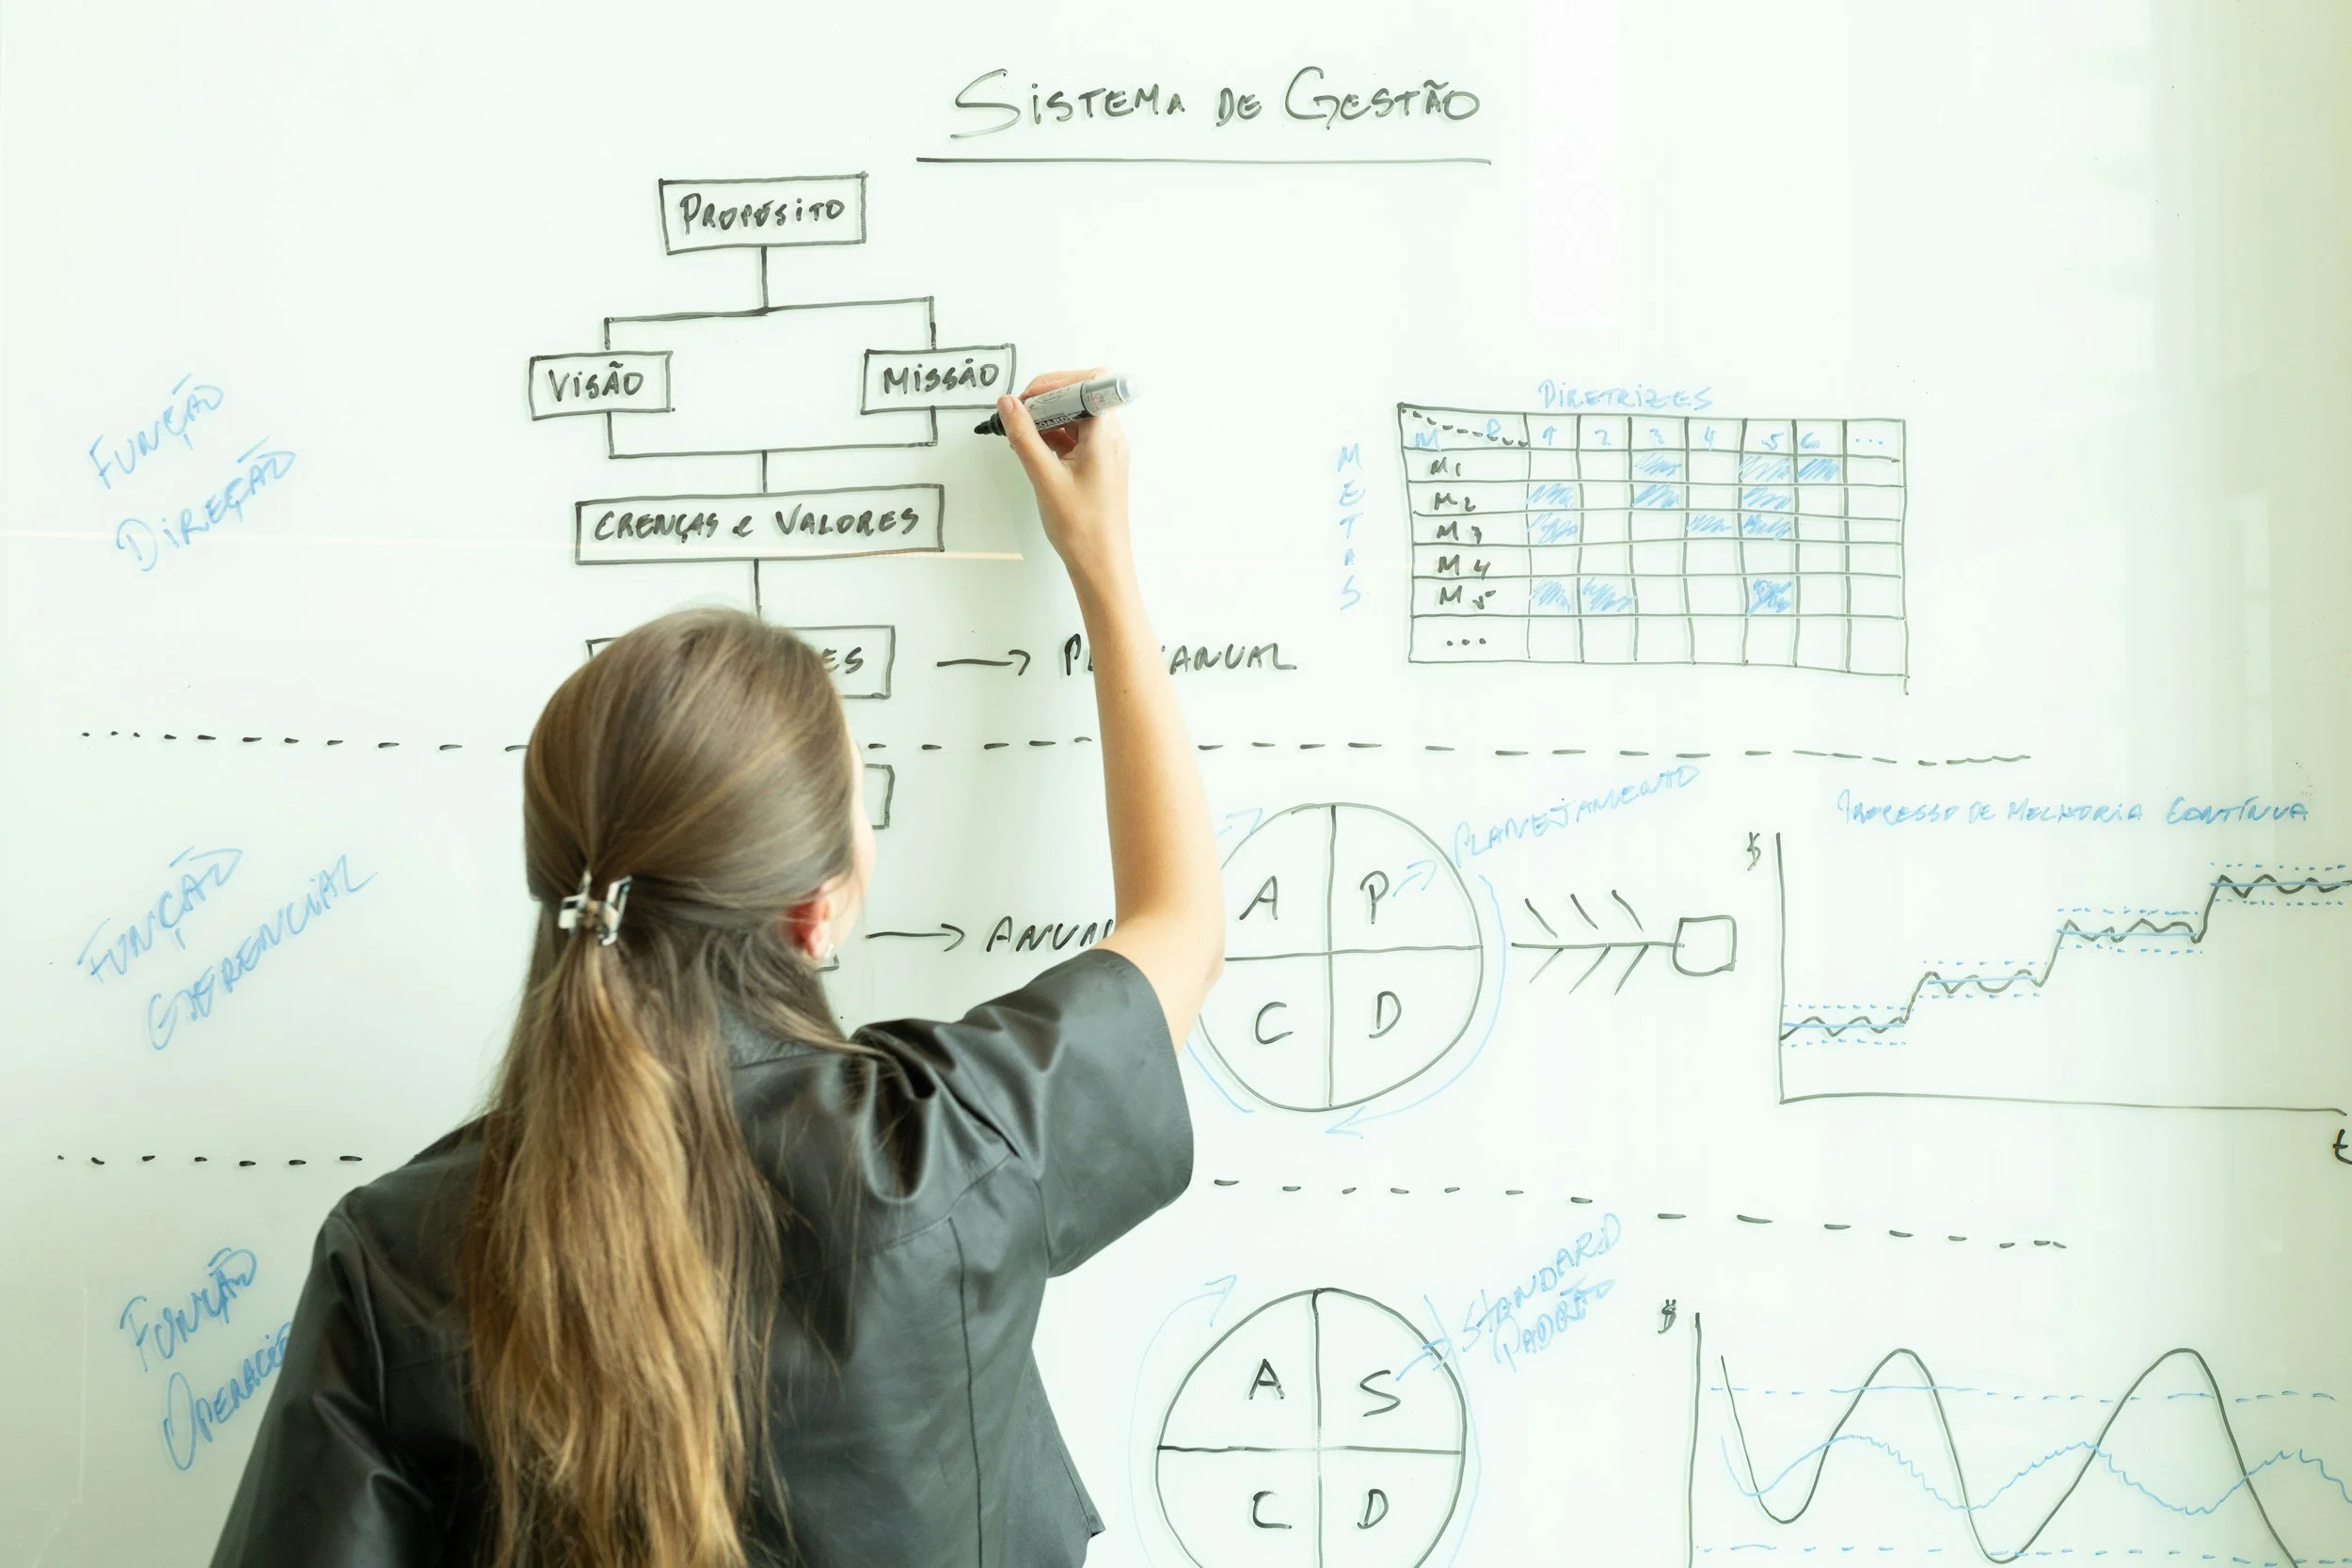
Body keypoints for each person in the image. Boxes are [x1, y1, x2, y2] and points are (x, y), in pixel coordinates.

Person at [210, 370, 1224, 1568]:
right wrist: (1100, 557)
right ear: (817, 907)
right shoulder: (951, 1139)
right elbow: (1178, 922)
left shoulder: (394, 1255)